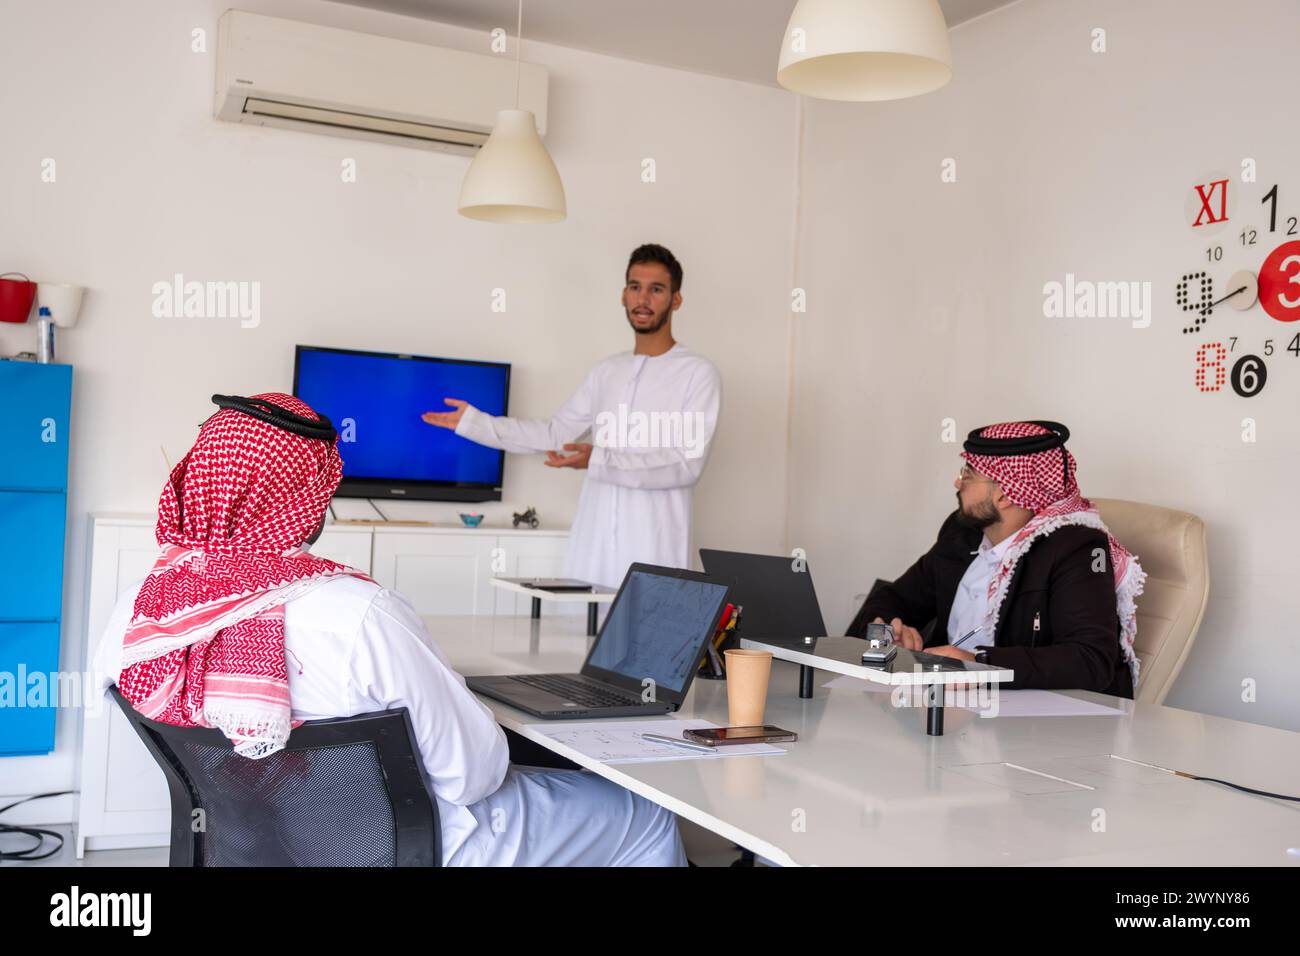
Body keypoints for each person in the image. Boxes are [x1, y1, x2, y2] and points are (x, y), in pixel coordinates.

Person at [93, 392, 685, 866]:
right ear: (310, 501)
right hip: (428, 845)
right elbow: (475, 774)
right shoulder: (357, 613)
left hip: (268, 841)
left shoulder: (140, 611)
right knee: (648, 815)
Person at [422, 243, 721, 589]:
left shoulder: (698, 374)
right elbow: (554, 433)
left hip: (655, 549)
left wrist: (599, 459)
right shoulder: (607, 372)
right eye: (635, 287)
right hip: (593, 550)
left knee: (651, 637)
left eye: (656, 289)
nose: (643, 299)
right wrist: (475, 424)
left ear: (676, 299)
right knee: (579, 640)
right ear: (623, 295)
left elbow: (687, 464)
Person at [850, 421, 1144, 697]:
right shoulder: (962, 533)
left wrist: (977, 664)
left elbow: (1089, 659)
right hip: (945, 705)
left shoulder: (1078, 548)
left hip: (1033, 726)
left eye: (968, 474)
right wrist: (888, 632)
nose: (957, 482)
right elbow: (894, 599)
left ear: (1005, 494)